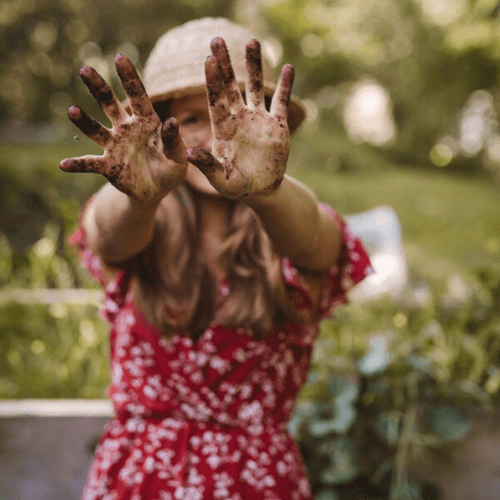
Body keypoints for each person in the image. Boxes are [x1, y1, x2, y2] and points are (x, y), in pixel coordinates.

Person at [60, 17, 372, 500]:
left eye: (229, 112)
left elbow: (317, 238)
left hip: (257, 484)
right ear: (155, 129)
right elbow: (107, 236)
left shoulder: (293, 226)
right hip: (139, 482)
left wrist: (266, 190)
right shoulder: (139, 225)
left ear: (271, 121)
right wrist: (140, 197)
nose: (214, 135)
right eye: (189, 119)